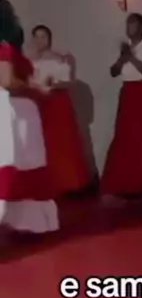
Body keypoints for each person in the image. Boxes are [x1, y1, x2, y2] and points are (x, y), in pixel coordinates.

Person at [0, 0, 58, 236]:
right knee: (18, 161)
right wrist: (34, 87)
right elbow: (6, 81)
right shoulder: (4, 47)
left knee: (22, 162)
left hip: (20, 109)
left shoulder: (9, 49)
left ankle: (24, 221)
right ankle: (28, 221)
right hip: (14, 110)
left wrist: (36, 85)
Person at [101, 13, 142, 199]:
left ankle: (141, 184)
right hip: (128, 92)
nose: (128, 28)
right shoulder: (128, 47)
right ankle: (123, 183)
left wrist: (131, 58)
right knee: (124, 137)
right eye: (127, 24)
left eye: (133, 24)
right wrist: (123, 57)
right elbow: (113, 72)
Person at [29, 25, 93, 197]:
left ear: (49, 38)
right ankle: (46, 183)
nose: (40, 40)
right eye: (37, 37)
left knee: (62, 142)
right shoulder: (29, 61)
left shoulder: (61, 58)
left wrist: (54, 84)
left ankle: (68, 183)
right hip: (39, 103)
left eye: (43, 36)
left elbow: (69, 82)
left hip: (58, 102)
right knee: (42, 143)